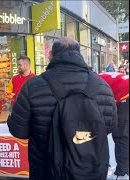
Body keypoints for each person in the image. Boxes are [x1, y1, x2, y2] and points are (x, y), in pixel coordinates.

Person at [7, 37, 117, 180]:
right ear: (79, 54)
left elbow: (18, 130)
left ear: (51, 55)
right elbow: (110, 125)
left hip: (46, 169)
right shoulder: (102, 86)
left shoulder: (33, 86)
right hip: (91, 168)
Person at [99, 72, 129, 179]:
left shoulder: (91, 83)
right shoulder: (97, 77)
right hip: (125, 90)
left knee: (121, 134)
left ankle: (123, 172)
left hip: (126, 94)